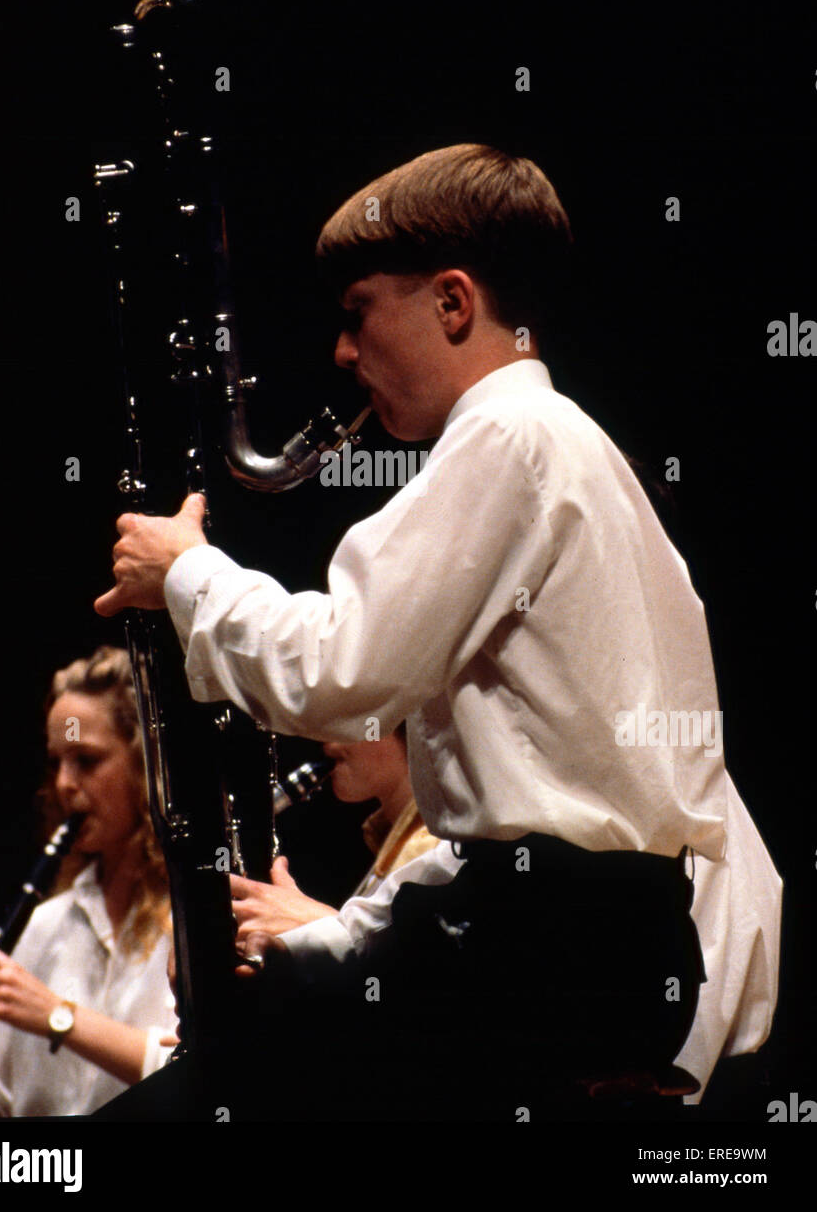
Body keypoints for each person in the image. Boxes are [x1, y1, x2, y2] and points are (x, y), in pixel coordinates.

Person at [95, 144, 780, 1118]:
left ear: (452, 302)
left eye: (357, 311)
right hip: (604, 942)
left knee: (206, 1092)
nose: (341, 352)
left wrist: (185, 574)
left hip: (539, 949)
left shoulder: (507, 436)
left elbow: (345, 670)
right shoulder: (574, 446)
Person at [0, 646, 177, 1117]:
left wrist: (55, 1015)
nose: (65, 784)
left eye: (86, 760)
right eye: (56, 763)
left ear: (145, 765)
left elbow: (208, 1074)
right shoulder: (46, 922)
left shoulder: (199, 920)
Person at [231, 724, 445, 942]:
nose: (325, 735)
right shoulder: (386, 833)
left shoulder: (433, 845)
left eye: (355, 709)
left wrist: (315, 927)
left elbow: (413, 965)